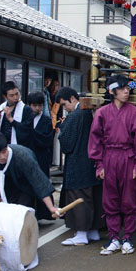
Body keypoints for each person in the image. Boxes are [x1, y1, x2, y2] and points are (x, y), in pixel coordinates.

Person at [88, 74, 136, 256]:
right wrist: (99, 165)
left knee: (129, 200)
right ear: (112, 91)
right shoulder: (101, 113)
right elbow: (95, 141)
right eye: (122, 88)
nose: (126, 91)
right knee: (110, 200)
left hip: (128, 158)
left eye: (128, 88)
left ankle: (128, 238)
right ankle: (114, 238)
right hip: (109, 158)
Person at [55, 86, 103, 246]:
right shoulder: (91, 113)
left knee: (79, 198)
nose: (64, 108)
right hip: (94, 162)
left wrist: (61, 129)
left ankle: (81, 233)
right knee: (94, 197)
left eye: (64, 104)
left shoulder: (74, 116)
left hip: (78, 163)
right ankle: (93, 231)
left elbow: (66, 144)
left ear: (73, 99)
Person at [0, 81, 30, 148]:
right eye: (11, 95)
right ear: (5, 96)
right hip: (2, 146)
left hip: (18, 147)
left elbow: (27, 130)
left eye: (17, 94)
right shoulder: (0, 108)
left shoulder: (26, 109)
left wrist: (11, 120)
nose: (15, 97)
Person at [23, 91, 53, 177]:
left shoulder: (46, 120)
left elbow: (47, 140)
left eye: (40, 105)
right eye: (34, 105)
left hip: (41, 157)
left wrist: (32, 132)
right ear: (29, 105)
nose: (37, 108)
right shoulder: (24, 118)